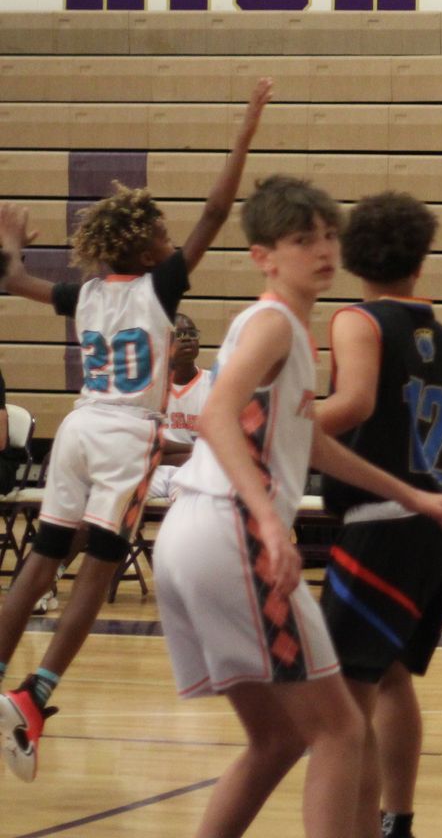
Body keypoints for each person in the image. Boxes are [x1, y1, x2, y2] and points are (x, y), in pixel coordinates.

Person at [151, 176, 442, 838]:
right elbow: (215, 416)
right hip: (231, 528)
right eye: (303, 240)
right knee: (339, 729)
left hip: (194, 532)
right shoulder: (274, 323)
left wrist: (410, 493)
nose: (323, 250)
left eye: (328, 235)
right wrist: (270, 521)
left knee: (278, 740)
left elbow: (308, 442)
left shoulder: (289, 328)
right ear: (264, 257)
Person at [0, 78, 271, 781]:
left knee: (41, 559)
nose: (171, 238)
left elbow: (14, 283)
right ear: (148, 249)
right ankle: (34, 695)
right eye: (162, 233)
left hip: (79, 426)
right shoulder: (160, 287)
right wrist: (245, 132)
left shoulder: (85, 292)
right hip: (126, 434)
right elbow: (217, 211)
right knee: (100, 564)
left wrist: (10, 252)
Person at [314, 191, 442, 838]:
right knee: (390, 676)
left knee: (345, 699)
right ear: (420, 258)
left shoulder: (357, 321)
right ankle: (398, 822)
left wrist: (270, 418)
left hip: (383, 525)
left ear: (353, 257)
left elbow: (354, 403)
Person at [147, 312, 209, 501]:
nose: (188, 339)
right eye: (180, 335)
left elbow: (218, 451)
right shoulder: (149, 388)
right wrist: (197, 450)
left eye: (192, 334)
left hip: (197, 471)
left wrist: (166, 452)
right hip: (154, 470)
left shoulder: (216, 384)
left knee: (191, 501)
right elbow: (146, 447)